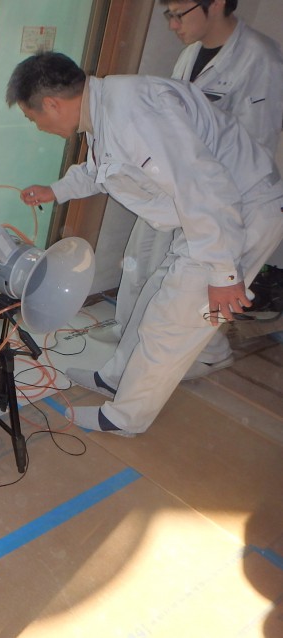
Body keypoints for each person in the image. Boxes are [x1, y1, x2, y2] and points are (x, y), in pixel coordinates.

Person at [8, 51, 283, 435]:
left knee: (170, 326)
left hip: (238, 216)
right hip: (211, 218)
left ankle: (125, 418)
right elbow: (101, 169)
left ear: (52, 104)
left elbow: (202, 187)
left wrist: (224, 273)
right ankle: (115, 378)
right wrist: (55, 191)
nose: (37, 126)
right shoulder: (106, 109)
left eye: (32, 117)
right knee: (150, 301)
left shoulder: (134, 115)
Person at [85, 0, 283, 382]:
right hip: (177, 181)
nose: (173, 25)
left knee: (192, 287)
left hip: (217, 195)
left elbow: (254, 148)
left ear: (217, 3)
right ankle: (130, 335)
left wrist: (210, 214)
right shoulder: (192, 51)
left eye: (179, 13)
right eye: (169, 14)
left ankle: (208, 352)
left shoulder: (262, 61)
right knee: (142, 259)